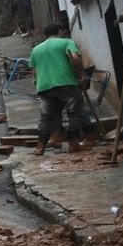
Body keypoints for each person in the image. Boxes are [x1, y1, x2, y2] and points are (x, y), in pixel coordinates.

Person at [28, 19, 85, 157]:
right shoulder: (66, 42)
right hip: (67, 83)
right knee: (74, 113)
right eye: (62, 32)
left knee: (46, 117)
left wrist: (38, 82)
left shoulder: (36, 50)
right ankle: (73, 144)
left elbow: (34, 71)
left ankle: (40, 147)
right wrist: (81, 76)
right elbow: (75, 58)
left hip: (44, 87)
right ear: (59, 31)